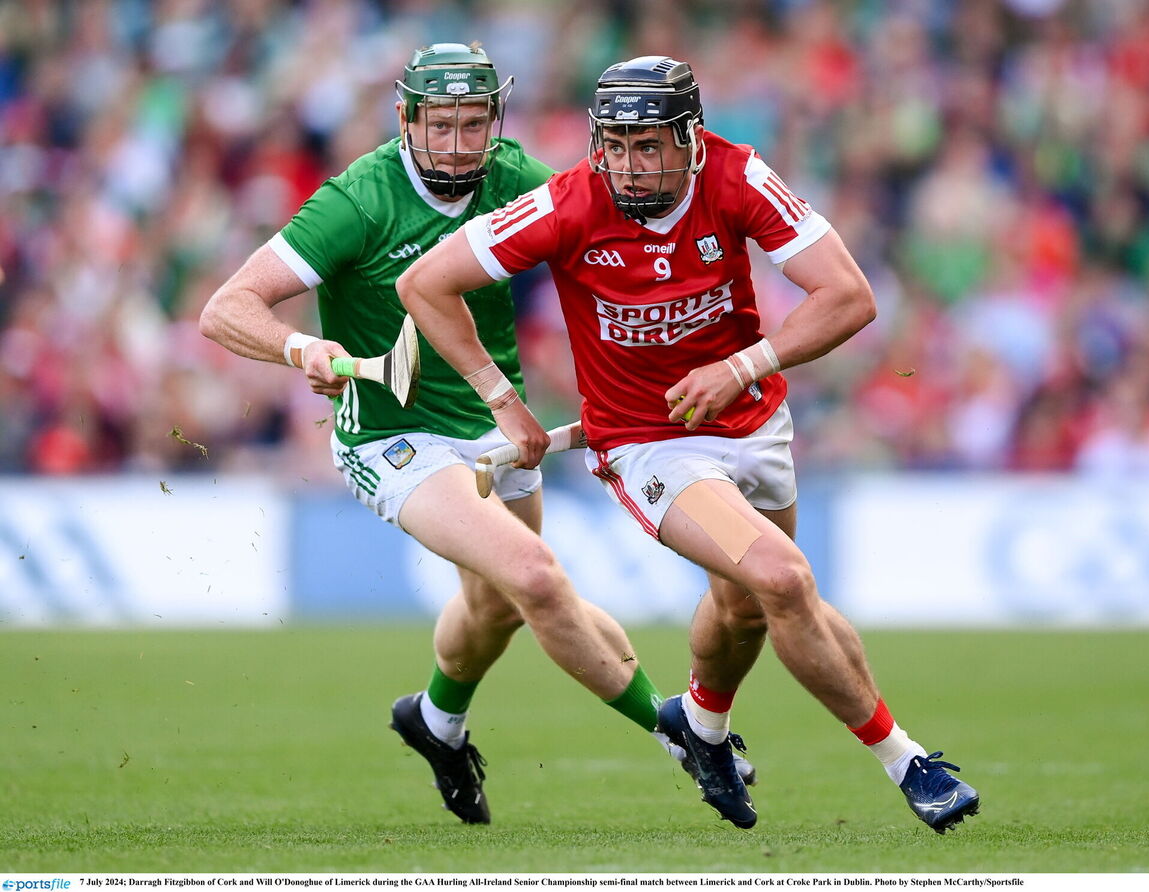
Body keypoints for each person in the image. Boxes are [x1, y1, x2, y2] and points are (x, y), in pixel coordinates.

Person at [397, 55, 982, 833]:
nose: (628, 166)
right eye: (614, 144)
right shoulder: (567, 203)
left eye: (647, 146)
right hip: (650, 444)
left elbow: (849, 296)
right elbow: (425, 284)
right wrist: (504, 402)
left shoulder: (738, 178)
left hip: (752, 420)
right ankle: (908, 761)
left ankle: (701, 727)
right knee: (783, 579)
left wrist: (742, 366)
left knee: (744, 609)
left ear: (690, 137)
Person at [199, 43, 743, 826]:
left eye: (473, 126)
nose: (458, 146)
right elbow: (228, 307)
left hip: (499, 427)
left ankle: (437, 720)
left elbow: (614, 248)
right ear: (406, 120)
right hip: (393, 435)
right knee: (536, 575)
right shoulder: (358, 202)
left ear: (496, 120)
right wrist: (301, 347)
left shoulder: (514, 178)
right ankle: (677, 732)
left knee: (495, 607)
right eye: (441, 127)